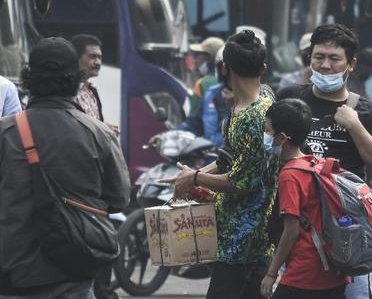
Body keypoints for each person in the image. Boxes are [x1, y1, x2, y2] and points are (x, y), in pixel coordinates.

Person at [0, 37, 130, 298]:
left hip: (12, 272)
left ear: (28, 79)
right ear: (74, 79)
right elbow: (119, 199)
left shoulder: (6, 133)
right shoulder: (99, 133)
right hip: (75, 269)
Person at [160, 30, 280, 299]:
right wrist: (195, 174)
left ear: (224, 68)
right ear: (263, 67)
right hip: (238, 235)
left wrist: (194, 179)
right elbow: (233, 159)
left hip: (244, 241)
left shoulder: (252, 116)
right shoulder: (258, 99)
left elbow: (241, 182)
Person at [277, 23, 372, 299]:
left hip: (347, 236)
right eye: (319, 57)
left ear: (350, 64)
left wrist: (355, 127)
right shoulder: (290, 99)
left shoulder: (367, 112)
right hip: (295, 234)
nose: (325, 65)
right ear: (309, 58)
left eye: (334, 59)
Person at [260, 98, 348, 299]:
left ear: (281, 138)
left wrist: (271, 273)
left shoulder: (290, 175)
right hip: (332, 269)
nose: (264, 135)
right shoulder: (315, 163)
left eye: (267, 130)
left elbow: (291, 230)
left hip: (305, 272)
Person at [70, 34, 122, 299]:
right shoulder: (67, 94)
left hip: (99, 181)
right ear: (76, 57)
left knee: (104, 242)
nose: (97, 62)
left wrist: (105, 130)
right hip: (79, 184)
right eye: (92, 56)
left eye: (100, 57)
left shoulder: (92, 91)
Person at [178, 46, 232, 146]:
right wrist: (172, 134)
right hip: (209, 157)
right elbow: (195, 123)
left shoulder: (255, 101)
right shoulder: (211, 94)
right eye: (224, 68)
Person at [188, 37, 225, 116]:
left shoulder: (202, 84)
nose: (195, 60)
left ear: (209, 58)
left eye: (197, 55)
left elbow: (193, 117)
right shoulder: (234, 80)